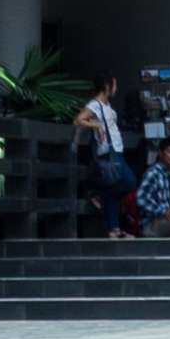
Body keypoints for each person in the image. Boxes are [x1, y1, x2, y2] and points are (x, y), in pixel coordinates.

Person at [74, 81, 133, 241]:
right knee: (129, 182)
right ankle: (96, 191)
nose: (116, 88)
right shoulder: (95, 105)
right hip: (108, 152)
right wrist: (96, 125)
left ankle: (113, 229)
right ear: (107, 86)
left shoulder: (106, 105)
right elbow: (79, 120)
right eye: (114, 84)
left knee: (113, 191)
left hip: (115, 151)